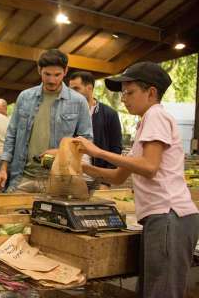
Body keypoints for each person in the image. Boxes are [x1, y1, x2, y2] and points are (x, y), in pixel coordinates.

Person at [72, 62, 199, 298]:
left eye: (129, 93)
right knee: (153, 290)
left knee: (162, 293)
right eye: (122, 94)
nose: (124, 100)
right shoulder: (145, 123)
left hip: (169, 216)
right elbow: (120, 176)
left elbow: (149, 167)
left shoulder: (156, 115)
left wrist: (98, 152)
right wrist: (83, 167)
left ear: (151, 93)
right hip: (162, 218)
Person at [0, 49, 93, 192]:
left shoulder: (78, 102)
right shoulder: (24, 97)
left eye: (57, 75)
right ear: (39, 70)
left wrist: (62, 150)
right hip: (22, 178)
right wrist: (3, 168)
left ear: (65, 71)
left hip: (58, 180)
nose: (52, 80)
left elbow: (86, 140)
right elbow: (11, 135)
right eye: (47, 74)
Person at [69, 71, 122, 189]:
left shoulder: (109, 114)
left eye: (76, 88)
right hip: (70, 178)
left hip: (98, 179)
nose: (72, 93)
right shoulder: (66, 113)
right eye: (70, 89)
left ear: (89, 88)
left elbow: (115, 148)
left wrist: (105, 182)